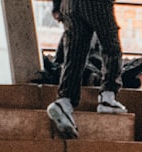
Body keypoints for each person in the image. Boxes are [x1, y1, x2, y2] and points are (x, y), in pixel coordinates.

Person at [46, 0, 127, 140]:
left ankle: (65, 101)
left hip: (69, 4)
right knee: (111, 45)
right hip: (95, 3)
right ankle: (108, 96)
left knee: (75, 53)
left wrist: (56, 5)